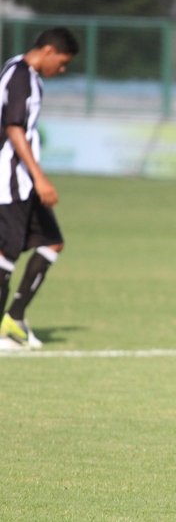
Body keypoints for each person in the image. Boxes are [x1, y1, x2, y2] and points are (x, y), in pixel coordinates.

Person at [0, 27, 79, 349]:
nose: (61, 69)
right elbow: (14, 127)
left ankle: (14, 319)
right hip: (10, 179)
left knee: (52, 242)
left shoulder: (18, 69)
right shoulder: (21, 76)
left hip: (23, 180)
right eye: (62, 62)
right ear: (48, 50)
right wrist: (39, 176)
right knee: (7, 253)